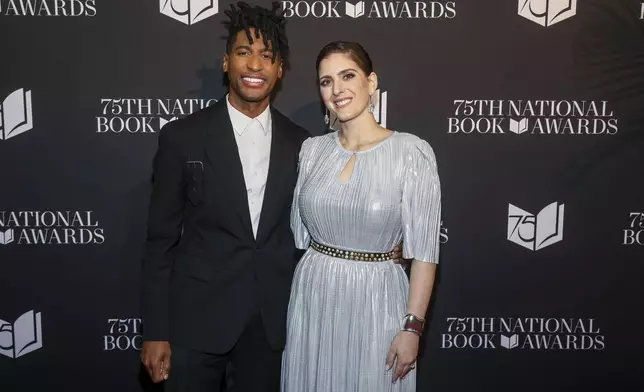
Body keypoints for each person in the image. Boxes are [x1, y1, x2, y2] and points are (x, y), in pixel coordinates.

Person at [139, 4, 402, 391]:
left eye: (267, 56)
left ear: (280, 71)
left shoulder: (304, 146)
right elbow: (160, 241)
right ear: (226, 62)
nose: (255, 65)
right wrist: (155, 331)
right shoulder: (182, 137)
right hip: (196, 324)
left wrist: (379, 247)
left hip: (272, 327)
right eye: (244, 52)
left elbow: (321, 219)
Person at [281, 41, 441, 392]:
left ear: (371, 83)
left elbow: (425, 254)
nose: (337, 90)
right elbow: (299, 235)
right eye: (326, 81)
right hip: (314, 294)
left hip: (378, 299)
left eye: (347, 76)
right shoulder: (312, 151)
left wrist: (412, 328)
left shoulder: (411, 153)